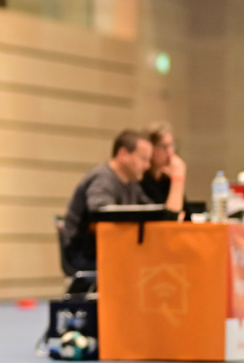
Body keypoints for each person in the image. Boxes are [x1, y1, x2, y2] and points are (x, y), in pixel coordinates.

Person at [61, 129, 173, 293]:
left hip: (110, 251)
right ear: (123, 154)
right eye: (143, 159)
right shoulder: (103, 178)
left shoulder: (131, 183)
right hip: (84, 253)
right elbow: (100, 212)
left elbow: (152, 211)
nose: (147, 166)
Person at [140, 122, 188, 212]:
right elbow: (170, 218)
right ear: (150, 148)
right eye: (163, 147)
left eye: (171, 145)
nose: (169, 152)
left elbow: (186, 217)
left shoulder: (167, 179)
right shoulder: (139, 179)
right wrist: (178, 178)